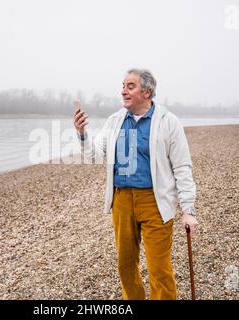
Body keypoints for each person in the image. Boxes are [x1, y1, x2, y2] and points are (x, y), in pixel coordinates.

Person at [73, 69, 198, 300]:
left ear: (147, 91)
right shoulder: (114, 121)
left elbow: (182, 167)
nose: (123, 90)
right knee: (125, 266)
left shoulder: (168, 122)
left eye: (130, 86)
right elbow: (94, 155)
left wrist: (188, 210)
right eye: (122, 85)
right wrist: (82, 134)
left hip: (155, 201)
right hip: (121, 201)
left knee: (159, 269)